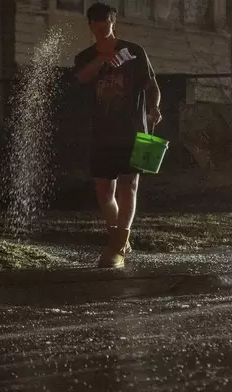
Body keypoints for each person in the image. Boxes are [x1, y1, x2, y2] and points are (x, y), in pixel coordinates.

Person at [74, 2, 162, 269]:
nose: (101, 33)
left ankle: (116, 247)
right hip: (102, 132)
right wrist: (102, 58)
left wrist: (154, 106)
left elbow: (152, 86)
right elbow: (82, 78)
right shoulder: (85, 56)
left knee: (129, 186)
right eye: (96, 29)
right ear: (90, 27)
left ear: (114, 23)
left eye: (106, 28)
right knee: (104, 191)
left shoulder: (134, 52)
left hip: (133, 130)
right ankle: (119, 237)